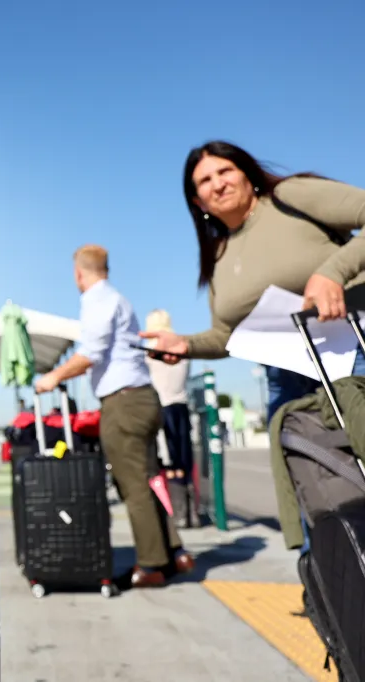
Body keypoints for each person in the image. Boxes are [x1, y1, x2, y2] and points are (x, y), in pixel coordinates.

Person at [139, 140, 365, 427]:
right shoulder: (217, 255)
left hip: (355, 349)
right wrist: (186, 344)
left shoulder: (288, 196)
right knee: (300, 456)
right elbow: (227, 335)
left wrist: (334, 272)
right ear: (198, 201)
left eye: (225, 171)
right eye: (205, 181)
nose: (218, 184)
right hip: (286, 381)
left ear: (247, 174)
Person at [35, 245, 194, 587]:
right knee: (147, 480)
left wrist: (54, 377)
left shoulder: (97, 300)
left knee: (132, 485)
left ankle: (151, 566)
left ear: (79, 273)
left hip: (123, 403)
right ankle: (174, 552)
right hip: (142, 398)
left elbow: (91, 352)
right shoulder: (118, 299)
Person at [143, 309, 194, 484]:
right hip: (182, 404)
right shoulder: (181, 345)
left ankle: (172, 496)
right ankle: (186, 493)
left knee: (168, 460)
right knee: (184, 456)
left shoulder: (150, 350)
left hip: (162, 406)